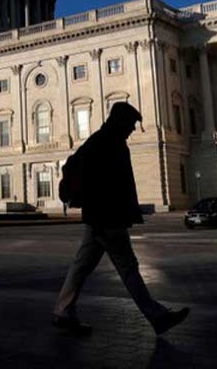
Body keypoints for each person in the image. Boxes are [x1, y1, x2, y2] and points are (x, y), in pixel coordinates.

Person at [53, 102, 190, 336]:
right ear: (120, 121)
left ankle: (63, 311)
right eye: (131, 124)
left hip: (99, 216)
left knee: (81, 265)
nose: (133, 129)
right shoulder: (109, 143)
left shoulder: (101, 140)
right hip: (108, 217)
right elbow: (114, 184)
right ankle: (157, 316)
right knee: (128, 268)